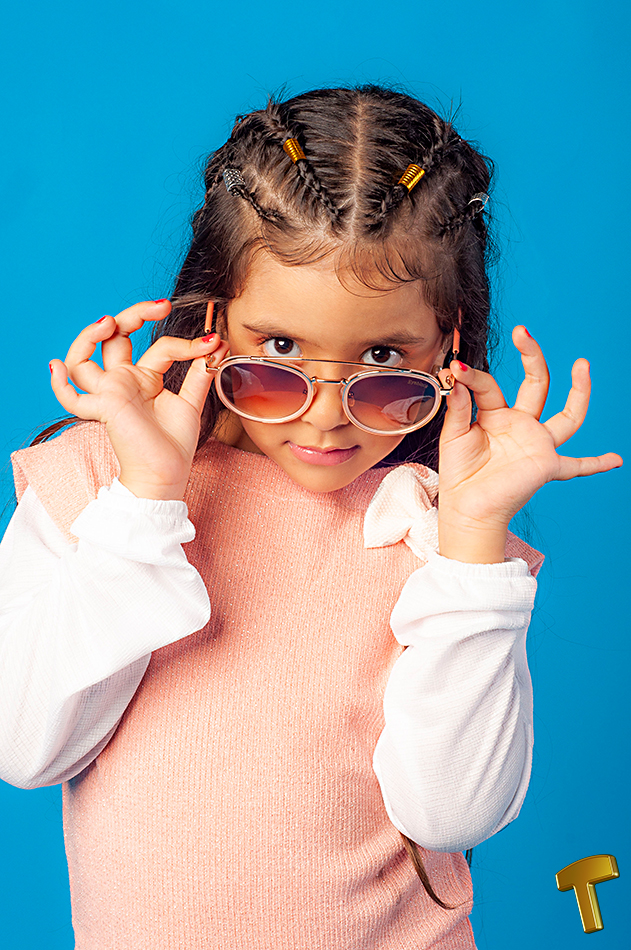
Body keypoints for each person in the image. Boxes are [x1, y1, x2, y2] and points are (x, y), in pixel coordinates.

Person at [0, 86, 622, 950]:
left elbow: (451, 815)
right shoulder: (94, 487)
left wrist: (473, 548)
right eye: (281, 349)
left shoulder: (433, 532)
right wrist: (143, 501)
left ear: (447, 344)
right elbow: (26, 748)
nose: (325, 416)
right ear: (213, 319)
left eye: (381, 356)